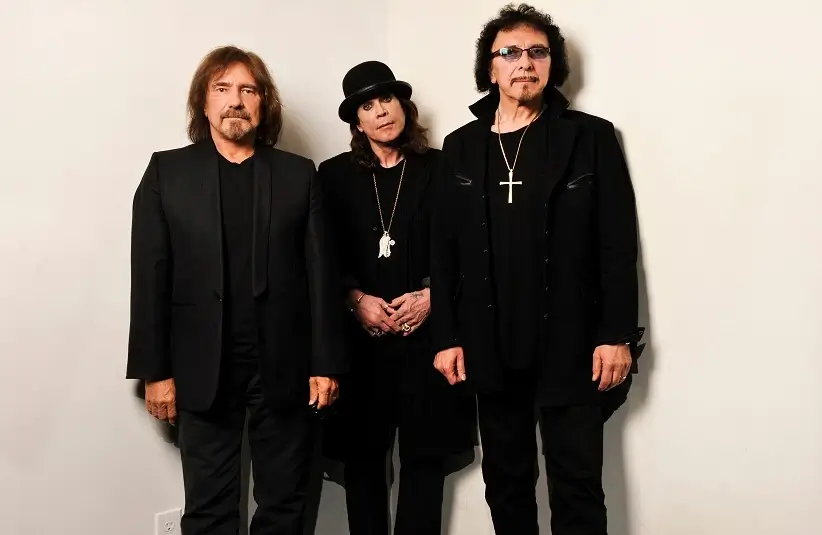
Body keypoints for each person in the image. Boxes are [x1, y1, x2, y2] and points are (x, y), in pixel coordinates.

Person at [430, 5, 645, 535]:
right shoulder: (459, 147)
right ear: (490, 67)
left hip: (572, 344)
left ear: (552, 64)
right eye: (509, 52)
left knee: (576, 485)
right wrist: (446, 337)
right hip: (488, 342)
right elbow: (444, 251)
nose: (524, 63)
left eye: (537, 52)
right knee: (505, 481)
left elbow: (617, 244)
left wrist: (616, 333)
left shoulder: (589, 137)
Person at [126, 45, 346, 535]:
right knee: (208, 508)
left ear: (263, 103)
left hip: (286, 369)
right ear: (202, 104)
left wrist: (325, 363)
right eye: (221, 89)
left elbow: (320, 277)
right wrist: (154, 372)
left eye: (248, 90)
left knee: (286, 504)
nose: (235, 101)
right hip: (201, 367)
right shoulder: (167, 172)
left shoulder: (297, 174)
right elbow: (149, 277)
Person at [317, 61, 475, 535]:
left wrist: (431, 297)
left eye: (387, 99)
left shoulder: (441, 166)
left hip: (427, 342)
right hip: (360, 347)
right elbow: (321, 258)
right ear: (356, 122)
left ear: (403, 106)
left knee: (424, 466)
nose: (381, 111)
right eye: (368, 105)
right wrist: (355, 299)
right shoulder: (332, 176)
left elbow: (464, 248)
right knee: (364, 467)